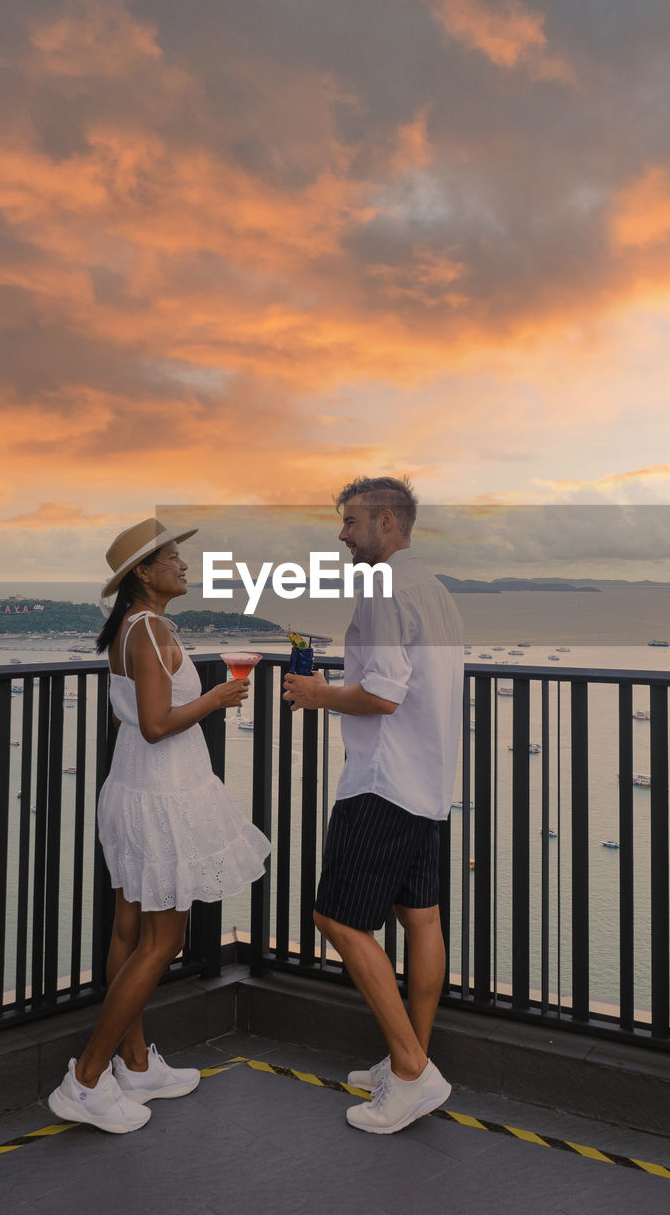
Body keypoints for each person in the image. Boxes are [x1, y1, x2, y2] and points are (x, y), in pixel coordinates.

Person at [48, 519, 271, 1133]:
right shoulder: (149, 630)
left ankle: (137, 1062)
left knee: (129, 926)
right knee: (163, 940)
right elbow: (153, 723)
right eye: (174, 559)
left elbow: (129, 722)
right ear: (144, 574)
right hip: (161, 796)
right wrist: (217, 700)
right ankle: (86, 1079)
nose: (185, 567)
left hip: (133, 789)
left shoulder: (129, 629)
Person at [282, 476, 464, 1135]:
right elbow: (410, 685)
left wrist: (317, 692)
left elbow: (384, 695)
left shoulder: (384, 588)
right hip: (429, 779)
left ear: (385, 522)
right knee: (421, 919)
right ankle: (408, 1059)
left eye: (351, 523)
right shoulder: (435, 591)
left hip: (383, 782)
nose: (343, 534)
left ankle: (412, 1073)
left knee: (337, 919)